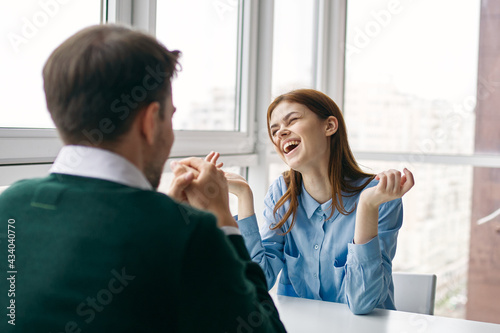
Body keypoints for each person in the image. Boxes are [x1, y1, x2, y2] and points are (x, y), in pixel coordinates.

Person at [0, 24, 286, 332]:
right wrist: (223, 223)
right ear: (150, 121)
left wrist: (163, 214)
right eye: (170, 116)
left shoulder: (10, 207)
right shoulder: (190, 235)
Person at [211, 89, 415, 315]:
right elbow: (259, 280)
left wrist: (366, 206)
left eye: (293, 120)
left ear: (329, 126)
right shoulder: (281, 193)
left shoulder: (379, 197)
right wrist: (243, 197)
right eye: (275, 130)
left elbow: (362, 302)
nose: (281, 133)